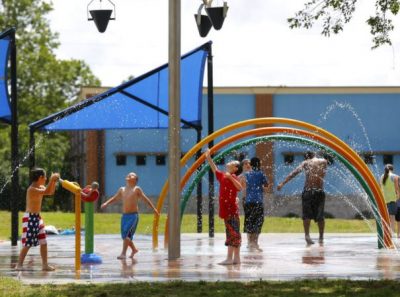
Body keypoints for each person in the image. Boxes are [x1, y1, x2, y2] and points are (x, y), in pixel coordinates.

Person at [101, 172, 159, 259]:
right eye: (128, 174)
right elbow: (115, 198)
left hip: (133, 216)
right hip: (124, 216)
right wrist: (106, 203)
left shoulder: (136, 189)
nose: (129, 175)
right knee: (124, 236)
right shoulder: (122, 189)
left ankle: (123, 253)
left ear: (135, 180)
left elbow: (145, 199)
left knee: (127, 235)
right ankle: (134, 249)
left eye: (132, 175)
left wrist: (154, 208)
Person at [277, 151, 328, 245]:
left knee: (307, 215)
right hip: (319, 191)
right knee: (320, 216)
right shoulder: (323, 162)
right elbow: (324, 171)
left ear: (307, 157)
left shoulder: (306, 163)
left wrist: (282, 183)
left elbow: (294, 173)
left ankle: (307, 235)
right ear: (314, 155)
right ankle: (321, 237)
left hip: (308, 191)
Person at [15, 168, 60, 271]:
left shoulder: (40, 186)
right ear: (40, 178)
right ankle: (19, 264)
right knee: (28, 243)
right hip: (30, 218)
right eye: (45, 177)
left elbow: (50, 192)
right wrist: (52, 180)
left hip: (37, 217)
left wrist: (53, 181)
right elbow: (47, 190)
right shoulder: (32, 189)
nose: (46, 179)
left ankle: (45, 265)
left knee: (43, 242)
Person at [205, 148, 242, 265]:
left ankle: (230, 258)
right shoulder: (223, 176)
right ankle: (236, 258)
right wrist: (208, 157)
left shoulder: (234, 177)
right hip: (227, 211)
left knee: (233, 234)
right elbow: (214, 168)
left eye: (233, 162)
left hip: (232, 211)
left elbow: (240, 188)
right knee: (233, 233)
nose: (230, 162)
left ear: (235, 169)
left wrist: (231, 177)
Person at [240, 157, 268, 252]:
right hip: (258, 201)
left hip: (248, 201)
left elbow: (243, 185)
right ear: (259, 164)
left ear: (251, 165)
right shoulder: (261, 174)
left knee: (249, 221)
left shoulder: (247, 174)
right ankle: (255, 243)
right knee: (258, 221)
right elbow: (266, 185)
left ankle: (250, 243)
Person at [379, 164, 400, 238]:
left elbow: (381, 188)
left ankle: (386, 233)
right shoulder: (395, 176)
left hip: (384, 200)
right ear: (392, 169)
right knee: (392, 217)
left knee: (386, 217)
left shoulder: (382, 177)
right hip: (392, 199)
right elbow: (397, 189)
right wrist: (398, 197)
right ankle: (391, 233)